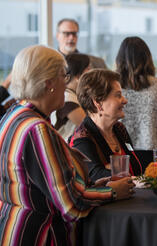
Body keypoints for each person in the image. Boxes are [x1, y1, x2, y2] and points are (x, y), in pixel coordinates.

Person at [0, 45, 135, 246]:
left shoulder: (13, 115)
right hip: (38, 235)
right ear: (49, 84)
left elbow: (47, 185)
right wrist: (113, 192)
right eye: (64, 77)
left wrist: (99, 186)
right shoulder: (38, 129)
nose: (68, 86)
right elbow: (71, 204)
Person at [70, 69, 143, 182]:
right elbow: (95, 175)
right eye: (118, 95)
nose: (125, 100)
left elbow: (135, 165)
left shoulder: (119, 128)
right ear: (98, 103)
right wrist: (135, 180)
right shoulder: (82, 139)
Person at [115, 36, 157, 150]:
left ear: (120, 60)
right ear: (148, 58)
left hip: (121, 156)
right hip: (153, 157)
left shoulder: (114, 88)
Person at [52, 53, 90, 142]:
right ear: (78, 75)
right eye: (88, 69)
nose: (91, 72)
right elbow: (89, 127)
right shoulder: (67, 99)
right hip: (66, 149)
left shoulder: (74, 94)